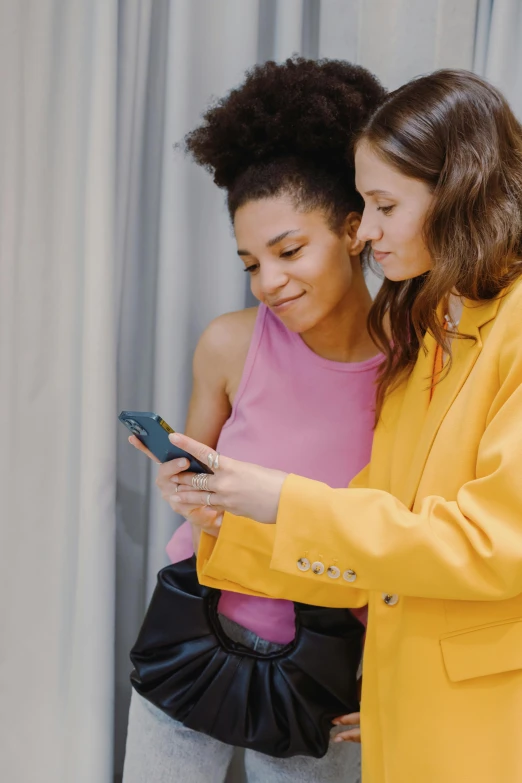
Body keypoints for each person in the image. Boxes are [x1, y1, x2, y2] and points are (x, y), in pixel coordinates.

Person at [169, 70, 522, 783]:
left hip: (475, 720)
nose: (368, 229)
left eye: (384, 205)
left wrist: (273, 499)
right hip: (401, 702)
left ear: (459, 186)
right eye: (363, 203)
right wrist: (225, 511)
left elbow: (493, 544)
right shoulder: (432, 330)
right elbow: (378, 514)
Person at [122, 57, 386, 783]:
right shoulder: (229, 343)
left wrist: (398, 681)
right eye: (250, 261)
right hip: (195, 630)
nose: (270, 281)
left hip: (324, 666)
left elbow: (411, 534)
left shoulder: (416, 369)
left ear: (356, 229)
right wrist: (185, 489)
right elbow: (197, 470)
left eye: (289, 250)